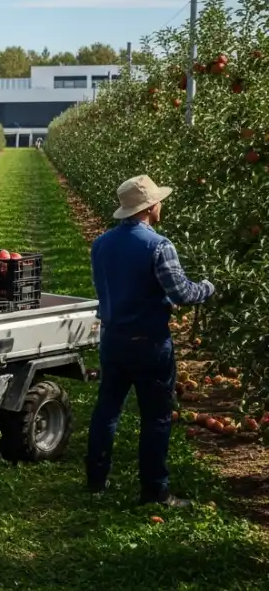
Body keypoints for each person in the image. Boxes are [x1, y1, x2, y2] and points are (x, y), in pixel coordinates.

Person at [86, 175, 214, 508]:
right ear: (150, 207)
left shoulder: (101, 244)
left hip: (112, 338)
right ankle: (155, 490)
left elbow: (117, 286)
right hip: (149, 342)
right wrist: (208, 288)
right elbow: (182, 292)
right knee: (156, 417)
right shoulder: (159, 245)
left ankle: (96, 480)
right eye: (158, 200)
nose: (161, 204)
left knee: (107, 410)